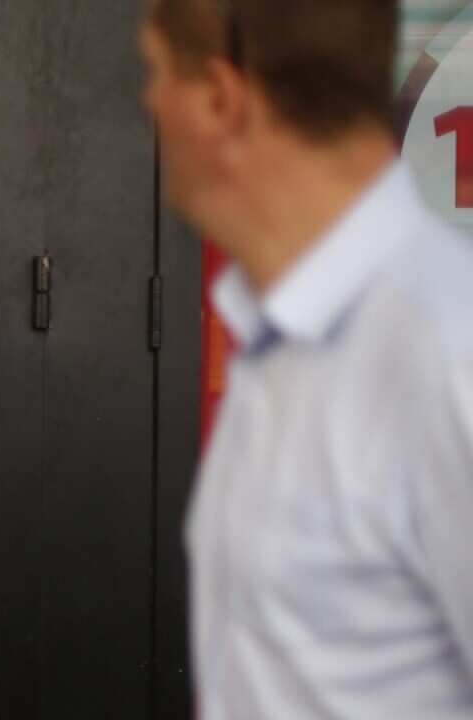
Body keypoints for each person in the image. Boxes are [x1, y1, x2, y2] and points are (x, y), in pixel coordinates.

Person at [140, 1, 473, 717]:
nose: (148, 102)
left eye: (158, 72)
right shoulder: (280, 339)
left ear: (223, 101)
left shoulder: (447, 350)